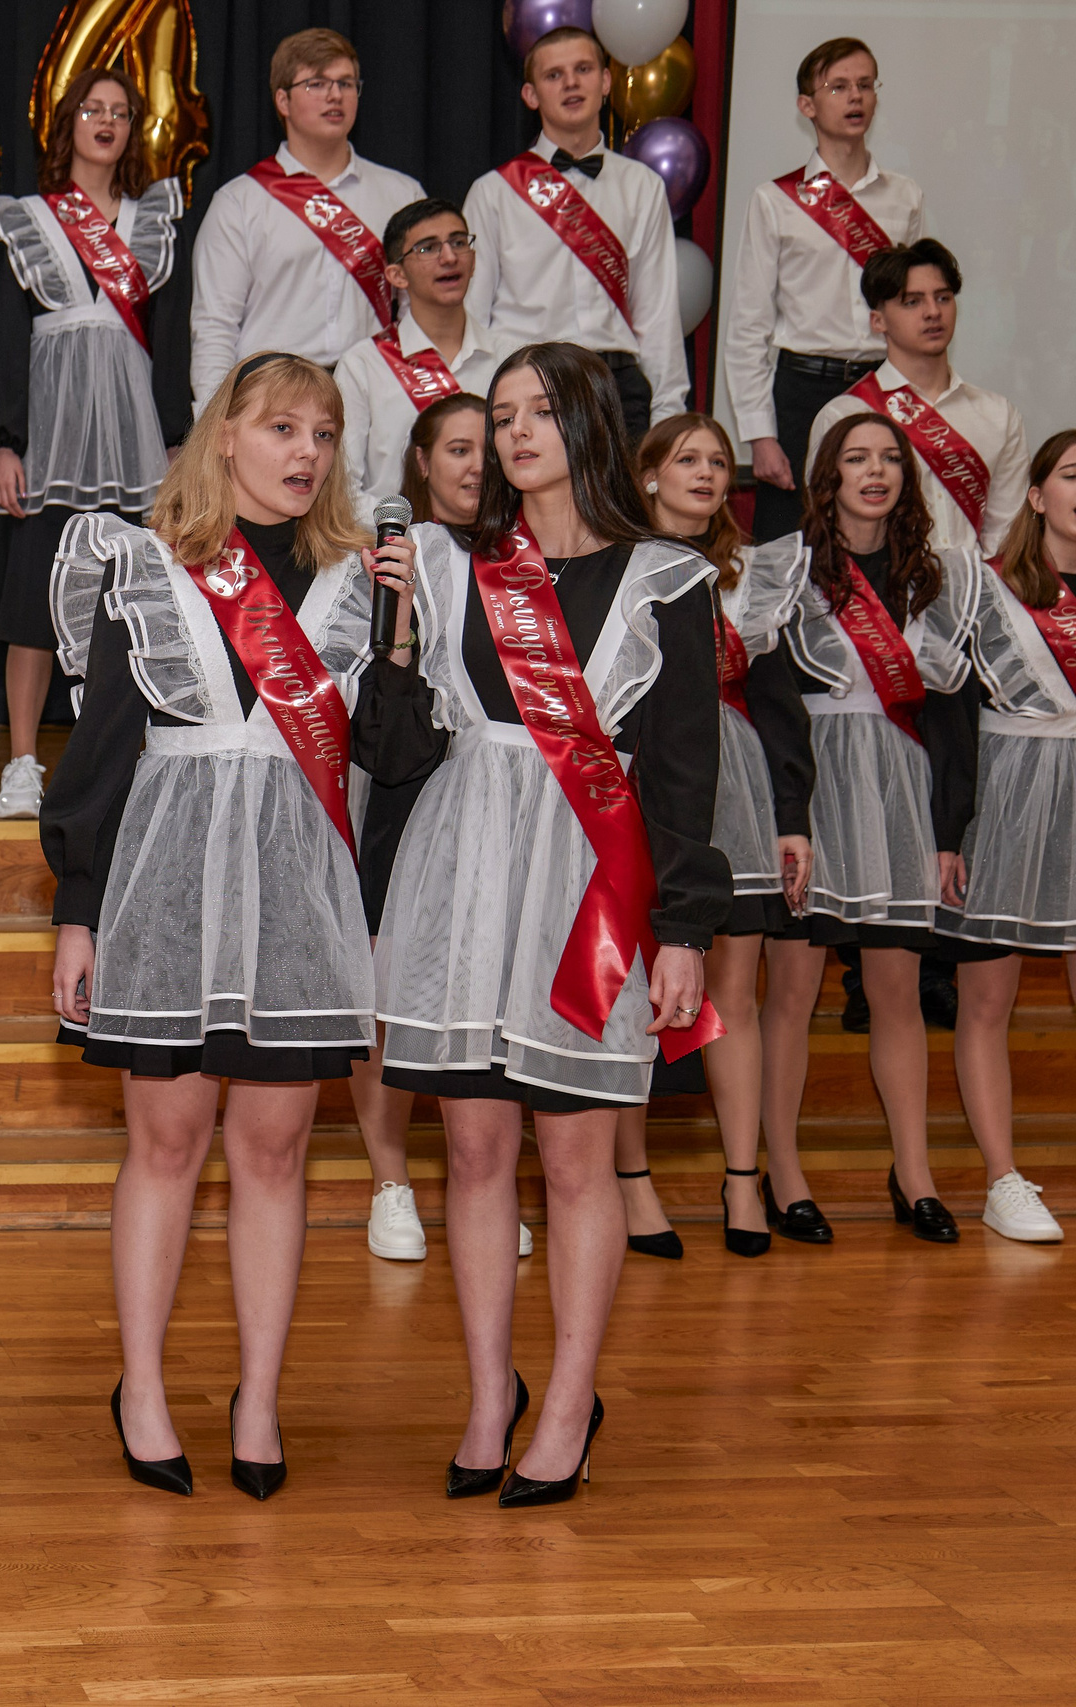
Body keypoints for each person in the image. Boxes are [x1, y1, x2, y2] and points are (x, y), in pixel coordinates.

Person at [359, 343, 728, 1505]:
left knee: (575, 1156)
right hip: (465, 856)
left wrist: (684, 926)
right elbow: (396, 750)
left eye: (536, 413)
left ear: (588, 424)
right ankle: (486, 1397)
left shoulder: (667, 577)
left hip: (595, 880)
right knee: (471, 1148)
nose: (512, 435)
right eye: (497, 416)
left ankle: (568, 1401)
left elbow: (680, 770)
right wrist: (402, 642)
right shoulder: (437, 564)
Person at [43, 352, 388, 1501]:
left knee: (276, 1153)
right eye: (281, 427)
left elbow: (397, 753)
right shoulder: (141, 565)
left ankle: (259, 1392)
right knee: (167, 1144)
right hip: (169, 880)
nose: (304, 453)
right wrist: (78, 912)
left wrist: (410, 640)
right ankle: (139, 1385)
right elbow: (94, 757)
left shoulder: (362, 580)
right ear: (224, 436)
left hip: (296, 887)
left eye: (324, 435)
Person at [746, 412, 981, 1245]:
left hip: (902, 792)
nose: (874, 471)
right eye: (856, 458)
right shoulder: (782, 571)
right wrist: (787, 816)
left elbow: (954, 714)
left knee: (898, 993)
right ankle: (785, 1170)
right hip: (813, 790)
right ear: (827, 476)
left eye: (889, 458)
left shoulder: (937, 577)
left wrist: (950, 827)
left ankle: (912, 1172)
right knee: (794, 995)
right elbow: (770, 708)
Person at [0, 68, 187, 819]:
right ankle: (22, 764)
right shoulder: (28, 219)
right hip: (53, 443)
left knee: (138, 598)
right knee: (32, 603)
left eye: (121, 113)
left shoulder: (154, 220)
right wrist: (1, 442)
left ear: (132, 130)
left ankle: (127, 752)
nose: (107, 122)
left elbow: (175, 341)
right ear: (67, 126)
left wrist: (182, 439)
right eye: (93, 110)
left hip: (136, 445)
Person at [620, 413, 815, 1260]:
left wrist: (792, 817)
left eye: (716, 463)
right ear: (649, 474)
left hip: (732, 785)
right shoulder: (617, 565)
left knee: (734, 987)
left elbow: (779, 709)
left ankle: (743, 1179)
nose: (704, 473)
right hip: (633, 783)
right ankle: (630, 1182)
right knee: (623, 986)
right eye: (685, 459)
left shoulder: (747, 579)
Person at [355, 391, 532, 1264]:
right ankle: (390, 1175)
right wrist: (397, 639)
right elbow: (382, 742)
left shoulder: (533, 569)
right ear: (420, 464)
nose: (474, 463)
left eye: (485, 446)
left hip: (501, 812)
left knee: (495, 982)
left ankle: (487, 1178)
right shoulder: (392, 566)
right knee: (394, 993)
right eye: (454, 448)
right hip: (408, 800)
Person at [928, 431, 1076, 1244]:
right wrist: (951, 828)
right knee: (988, 999)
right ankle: (1002, 1178)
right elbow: (947, 711)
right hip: (1011, 794)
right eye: (1074, 474)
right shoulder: (983, 588)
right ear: (1037, 495)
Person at [723, 37, 923, 545]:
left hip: (882, 384)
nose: (855, 97)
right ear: (807, 106)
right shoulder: (776, 200)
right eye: (838, 87)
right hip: (801, 389)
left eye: (864, 85)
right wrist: (761, 436)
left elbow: (914, 309)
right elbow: (748, 323)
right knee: (787, 542)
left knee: (880, 539)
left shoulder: (904, 197)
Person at [463, 29, 688, 441]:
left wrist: (668, 415)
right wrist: (479, 406)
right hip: (528, 387)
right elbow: (472, 318)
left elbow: (657, 314)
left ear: (605, 82)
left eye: (583, 69)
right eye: (554, 75)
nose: (570, 83)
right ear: (530, 95)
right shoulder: (493, 191)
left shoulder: (643, 185)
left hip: (617, 389)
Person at [188, 29, 424, 417]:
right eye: (316, 83)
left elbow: (418, 312)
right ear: (282, 99)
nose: (335, 95)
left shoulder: (401, 194)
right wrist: (215, 423)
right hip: (270, 399)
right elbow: (215, 327)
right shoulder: (239, 202)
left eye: (346, 83)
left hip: (374, 396)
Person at [809, 241, 1024, 560]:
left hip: (976, 597)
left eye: (943, 298)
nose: (933, 312)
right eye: (912, 302)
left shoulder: (997, 413)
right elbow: (827, 530)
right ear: (878, 321)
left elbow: (1007, 536)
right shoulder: (846, 414)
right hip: (881, 599)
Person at [333, 198, 503, 508]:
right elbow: (343, 490)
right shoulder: (363, 365)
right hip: (394, 546)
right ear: (397, 275)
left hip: (500, 549)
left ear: (474, 259)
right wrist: (412, 538)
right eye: (428, 248)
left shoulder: (509, 359)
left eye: (458, 242)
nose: (449, 257)